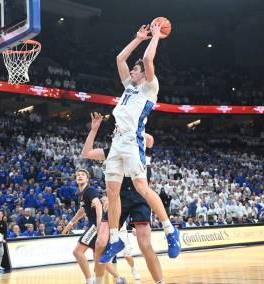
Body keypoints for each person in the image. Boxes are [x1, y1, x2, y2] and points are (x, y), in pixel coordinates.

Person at [99, 23, 180, 263]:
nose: (131, 73)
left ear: (143, 74)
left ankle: (170, 231)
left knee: (142, 188)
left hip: (133, 142)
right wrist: (137, 38)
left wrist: (154, 36)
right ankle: (115, 240)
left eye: (135, 71)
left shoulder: (149, 88)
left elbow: (146, 59)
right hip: (116, 142)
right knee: (112, 192)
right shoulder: (129, 88)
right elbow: (120, 58)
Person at [81, 112, 164, 283]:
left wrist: (130, 128)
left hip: (140, 197)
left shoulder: (141, 144)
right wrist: (94, 130)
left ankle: (160, 281)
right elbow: (86, 153)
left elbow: (150, 140)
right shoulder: (112, 150)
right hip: (117, 199)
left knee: (145, 245)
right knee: (100, 243)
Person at [62, 169, 126, 284]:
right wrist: (70, 224)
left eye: (82, 175)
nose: (80, 176)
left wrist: (99, 225)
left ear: (87, 179)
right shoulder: (81, 194)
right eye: (78, 175)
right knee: (99, 256)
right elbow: (82, 211)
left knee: (77, 252)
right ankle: (119, 279)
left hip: (96, 225)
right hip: (95, 225)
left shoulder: (89, 190)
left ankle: (89, 280)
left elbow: (98, 205)